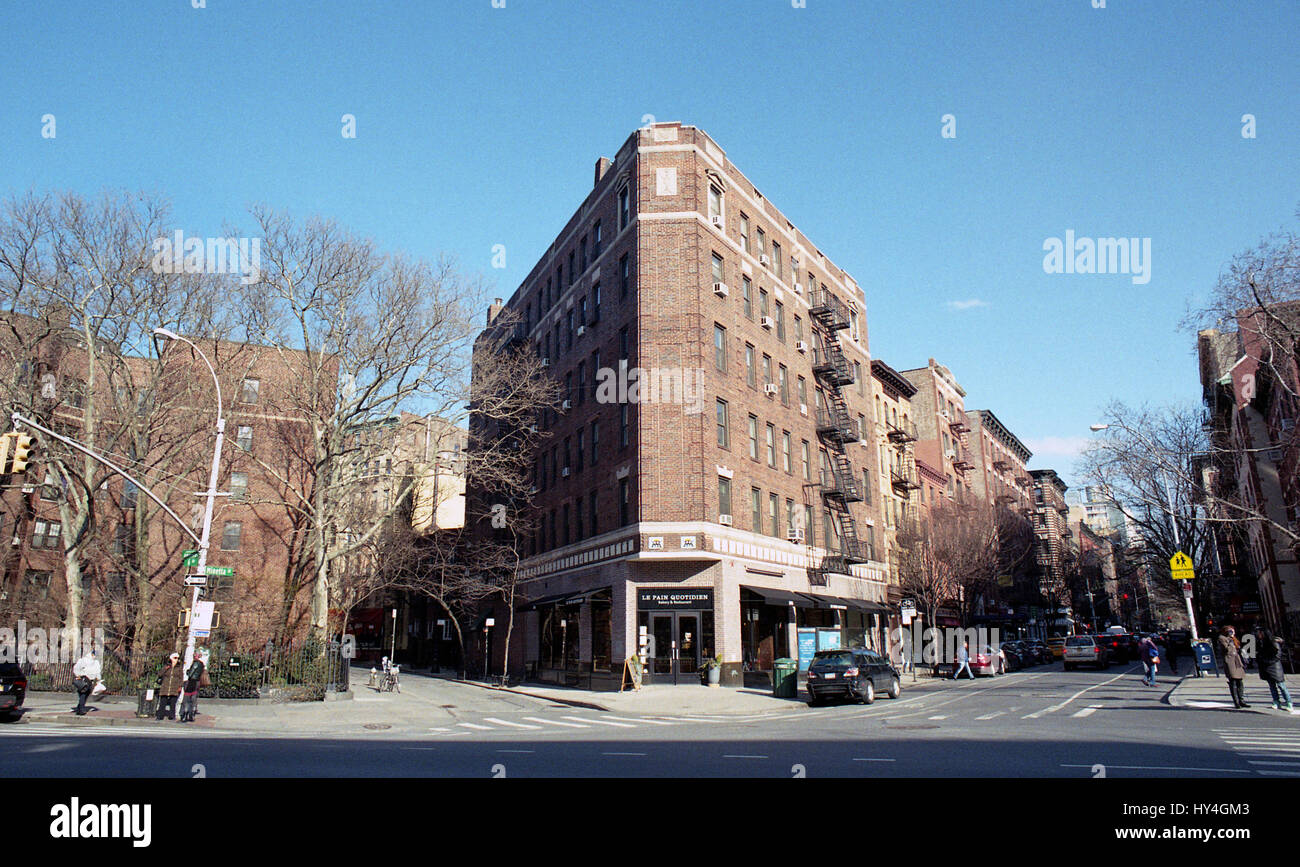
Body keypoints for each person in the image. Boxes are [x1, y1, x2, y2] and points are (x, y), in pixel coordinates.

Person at [1256, 628, 1293, 712]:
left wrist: (1267, 661)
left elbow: (1277, 655)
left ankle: (1289, 702)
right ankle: (1276, 701)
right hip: (1266, 667)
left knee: (1281, 686)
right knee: (1272, 686)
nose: (1258, 635)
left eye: (1259, 633)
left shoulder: (1273, 642)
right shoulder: (1261, 643)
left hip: (1275, 667)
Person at [1217, 626, 1250, 708]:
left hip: (1237, 661)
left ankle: (1242, 700)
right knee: (1233, 681)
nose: (1232, 633)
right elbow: (1227, 649)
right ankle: (1236, 702)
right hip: (1230, 661)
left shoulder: (1233, 638)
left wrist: (1233, 639)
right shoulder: (1222, 638)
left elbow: (1238, 647)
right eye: (1230, 631)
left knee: (1240, 681)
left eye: (1232, 631)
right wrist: (1230, 641)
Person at [178, 650, 207, 723]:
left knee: (186, 698)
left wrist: (188, 672)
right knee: (193, 698)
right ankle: (191, 713)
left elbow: (190, 673)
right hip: (197, 682)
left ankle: (184, 714)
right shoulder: (202, 664)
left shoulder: (196, 663)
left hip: (191, 682)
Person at [156, 652, 185, 720]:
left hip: (174, 686)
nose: (176, 660)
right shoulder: (167, 666)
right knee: (163, 701)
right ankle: (160, 715)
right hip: (165, 686)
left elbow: (181, 678)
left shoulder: (179, 668)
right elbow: (160, 674)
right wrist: (165, 668)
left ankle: (172, 715)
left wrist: (180, 686)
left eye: (177, 658)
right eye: (175, 658)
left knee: (173, 702)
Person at [71, 649, 101, 716]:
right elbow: (76, 668)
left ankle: (79, 709)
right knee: (83, 694)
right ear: (92, 654)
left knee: (85, 695)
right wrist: (78, 675)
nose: (95, 656)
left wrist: (98, 679)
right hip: (84, 679)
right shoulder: (84, 660)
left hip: (90, 680)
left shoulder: (96, 662)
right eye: (94, 655)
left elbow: (97, 671)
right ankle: (81, 709)